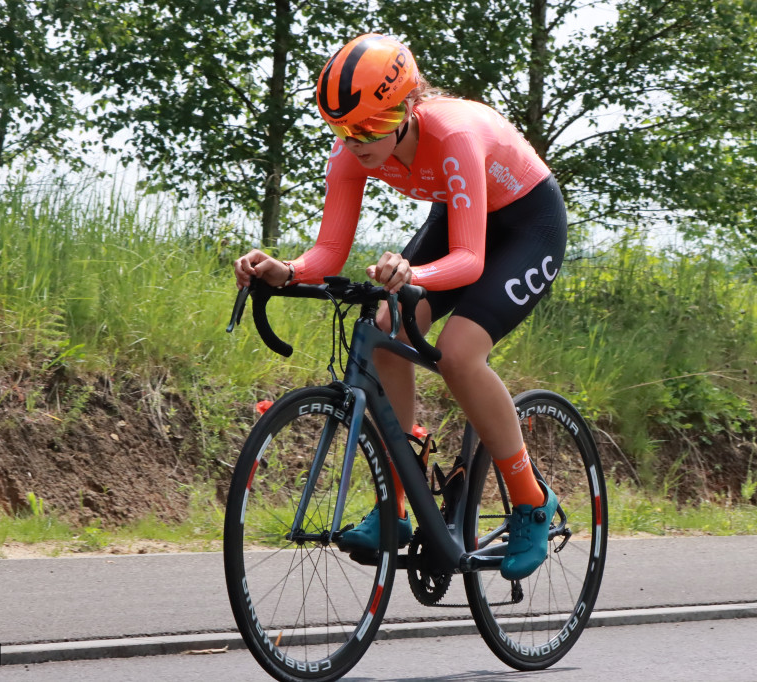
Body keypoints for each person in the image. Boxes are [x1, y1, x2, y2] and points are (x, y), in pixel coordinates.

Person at [233, 33, 567, 581]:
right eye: (342, 128)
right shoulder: (352, 148)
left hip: (528, 224)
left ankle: (531, 499)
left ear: (408, 108)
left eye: (368, 127)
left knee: (459, 353)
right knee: (388, 324)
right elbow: (329, 251)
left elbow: (469, 259)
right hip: (463, 214)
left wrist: (412, 273)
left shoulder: (453, 133)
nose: (355, 141)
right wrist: (284, 269)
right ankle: (401, 502)